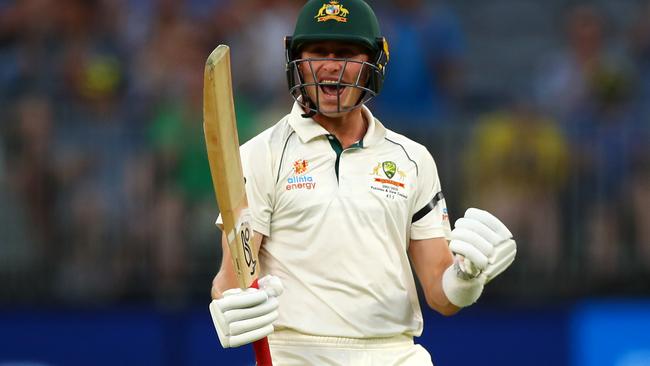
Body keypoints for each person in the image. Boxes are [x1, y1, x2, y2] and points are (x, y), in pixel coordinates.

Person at [209, 0, 516, 364]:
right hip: (297, 354)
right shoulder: (261, 155)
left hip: (394, 353)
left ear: (373, 64)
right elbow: (233, 277)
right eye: (317, 52)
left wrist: (467, 278)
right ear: (296, 61)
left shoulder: (411, 159)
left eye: (346, 53)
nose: (330, 66)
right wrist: (230, 304)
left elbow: (440, 293)